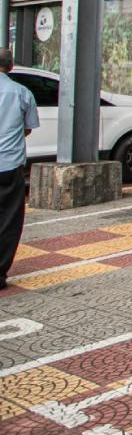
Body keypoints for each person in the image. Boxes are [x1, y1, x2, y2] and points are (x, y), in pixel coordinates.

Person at [0, 48, 37, 290]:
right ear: (11, 66)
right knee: (8, 219)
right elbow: (28, 128)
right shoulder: (21, 92)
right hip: (8, 164)